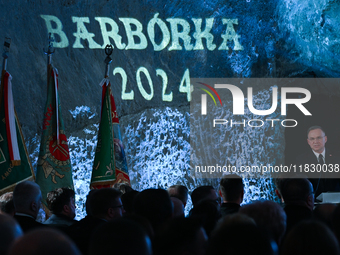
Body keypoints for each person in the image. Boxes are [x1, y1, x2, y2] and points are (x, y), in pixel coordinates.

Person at [296, 126, 340, 197]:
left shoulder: (337, 156)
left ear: (325, 139)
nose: (315, 141)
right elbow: (302, 184)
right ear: (308, 142)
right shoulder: (302, 160)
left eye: (319, 138)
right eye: (312, 139)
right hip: (314, 201)